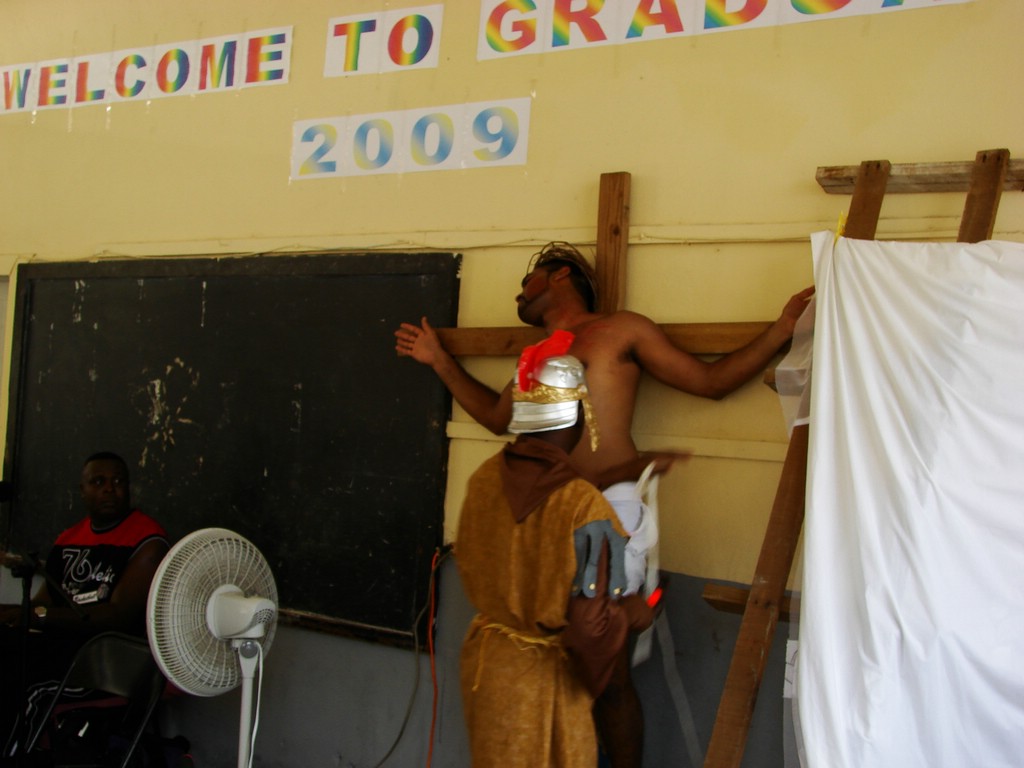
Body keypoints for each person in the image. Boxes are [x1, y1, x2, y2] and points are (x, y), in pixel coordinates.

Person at [396, 241, 814, 767]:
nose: (519, 295)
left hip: (606, 513)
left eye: (527, 281)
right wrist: (439, 361)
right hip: (541, 517)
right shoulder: (537, 357)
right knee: (549, 660)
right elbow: (499, 419)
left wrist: (781, 330)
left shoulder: (621, 330)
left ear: (560, 276)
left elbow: (711, 383)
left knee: (607, 672)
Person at [456, 338, 654, 767]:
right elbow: (589, 629)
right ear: (580, 414)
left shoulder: (482, 479)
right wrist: (629, 614)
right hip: (543, 687)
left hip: (487, 671)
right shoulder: (583, 506)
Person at [0, 451, 169, 756]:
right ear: (82, 490)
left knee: (21, 682)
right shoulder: (68, 539)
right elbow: (42, 604)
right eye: (98, 482)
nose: (109, 489)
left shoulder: (148, 540)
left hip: (105, 662)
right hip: (59, 650)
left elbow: (118, 617)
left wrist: (40, 616)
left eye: (118, 481)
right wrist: (16, 614)